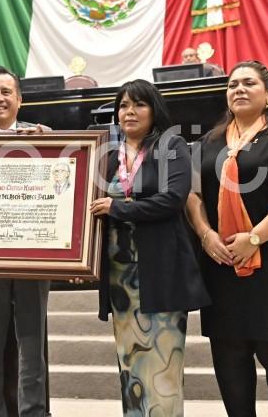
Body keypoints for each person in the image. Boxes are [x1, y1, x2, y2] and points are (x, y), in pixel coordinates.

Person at [185, 60, 268, 417]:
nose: (239, 90)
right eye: (232, 85)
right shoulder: (209, 142)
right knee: (229, 355)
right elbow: (192, 196)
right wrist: (205, 233)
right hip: (221, 264)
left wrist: (255, 238)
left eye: (248, 83)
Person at [89, 79, 210, 417]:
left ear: (153, 109)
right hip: (120, 280)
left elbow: (172, 200)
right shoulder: (109, 156)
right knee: (131, 369)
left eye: (138, 104)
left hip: (160, 272)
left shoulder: (172, 146)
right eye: (123, 105)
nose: (130, 111)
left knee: (161, 369)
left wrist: (119, 209)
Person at [0, 65, 51, 417]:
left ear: (19, 99)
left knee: (33, 344)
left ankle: (34, 412)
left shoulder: (45, 137)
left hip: (33, 257)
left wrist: (48, 145)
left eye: (6, 92)